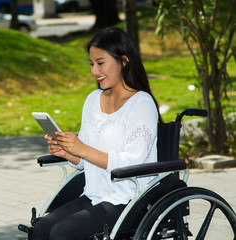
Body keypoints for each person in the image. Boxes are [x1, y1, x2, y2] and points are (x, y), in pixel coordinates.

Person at [32, 27, 163, 240]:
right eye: (92, 64)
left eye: (101, 63)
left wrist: (82, 148)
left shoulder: (142, 104)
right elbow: (85, 161)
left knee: (62, 233)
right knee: (41, 228)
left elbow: (132, 165)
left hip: (129, 198)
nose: (94, 71)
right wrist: (67, 152)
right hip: (94, 195)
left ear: (123, 60)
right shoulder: (93, 99)